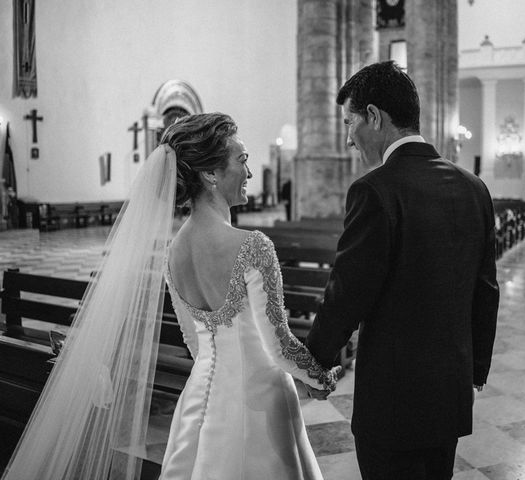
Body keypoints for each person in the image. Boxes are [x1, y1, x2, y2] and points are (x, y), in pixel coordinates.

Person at [2, 113, 339, 480]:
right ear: (210, 174)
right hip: (258, 403)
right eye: (242, 160)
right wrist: (320, 379)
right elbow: (278, 346)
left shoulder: (173, 251)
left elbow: (196, 344)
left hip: (201, 399)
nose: (249, 173)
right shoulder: (253, 246)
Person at [305, 61, 499, 480]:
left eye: (349, 122)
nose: (349, 138)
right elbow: (486, 289)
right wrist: (476, 367)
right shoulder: (475, 188)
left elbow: (347, 293)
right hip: (449, 392)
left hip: (392, 400)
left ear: (374, 116)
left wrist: (313, 362)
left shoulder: (374, 190)